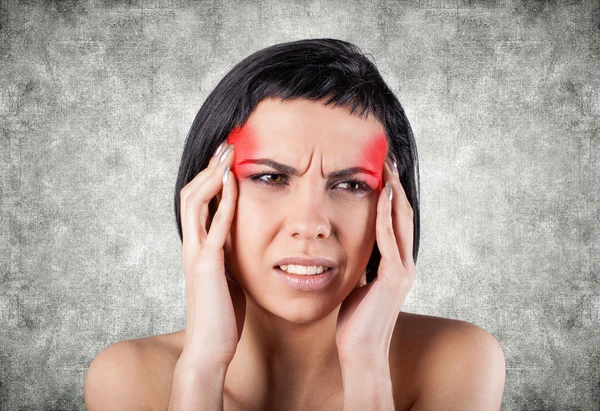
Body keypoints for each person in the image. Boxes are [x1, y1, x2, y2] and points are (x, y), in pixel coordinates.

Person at [84, 38, 506, 410]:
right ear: (207, 199)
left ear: (395, 208)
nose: (310, 225)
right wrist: (202, 368)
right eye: (271, 178)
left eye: (352, 185)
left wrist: (367, 364)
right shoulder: (128, 377)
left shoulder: (458, 360)